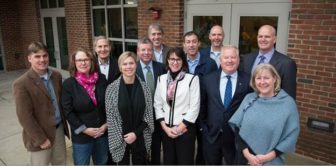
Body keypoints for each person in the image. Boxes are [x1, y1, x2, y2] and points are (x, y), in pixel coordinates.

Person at [229, 63, 300, 165]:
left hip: (271, 160)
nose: (262, 82)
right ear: (254, 81)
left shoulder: (287, 103)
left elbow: (291, 135)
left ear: (274, 79)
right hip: (245, 158)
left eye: (266, 78)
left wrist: (267, 157)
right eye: (258, 78)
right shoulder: (249, 98)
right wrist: (248, 155)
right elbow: (237, 128)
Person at [13, 42, 69, 166]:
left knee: (60, 163)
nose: (42, 60)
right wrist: (41, 139)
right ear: (29, 59)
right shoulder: (21, 83)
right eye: (37, 56)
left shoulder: (56, 76)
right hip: (39, 135)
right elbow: (25, 117)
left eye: (45, 56)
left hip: (58, 130)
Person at [199, 45, 252, 165]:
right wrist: (203, 128)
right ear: (220, 60)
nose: (229, 60)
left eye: (233, 57)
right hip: (212, 135)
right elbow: (202, 105)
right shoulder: (208, 79)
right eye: (226, 57)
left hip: (236, 137)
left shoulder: (248, 80)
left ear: (238, 60)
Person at [61, 48, 109, 165]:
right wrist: (85, 130)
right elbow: (68, 112)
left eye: (86, 59)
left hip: (102, 132)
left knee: (102, 163)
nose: (83, 63)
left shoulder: (101, 79)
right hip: (82, 137)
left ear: (91, 61)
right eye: (79, 60)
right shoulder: (69, 84)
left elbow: (109, 103)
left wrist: (107, 124)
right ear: (74, 63)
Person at [105, 51, 154, 164]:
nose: (128, 67)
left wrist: (135, 134)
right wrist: (125, 136)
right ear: (120, 67)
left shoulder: (145, 88)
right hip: (120, 137)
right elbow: (111, 118)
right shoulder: (111, 89)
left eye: (131, 63)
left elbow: (148, 115)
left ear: (136, 65)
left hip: (140, 135)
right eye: (125, 64)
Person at [154, 47, 200, 165]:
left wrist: (179, 129)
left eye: (178, 59)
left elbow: (194, 107)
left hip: (185, 129)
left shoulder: (192, 79)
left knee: (185, 161)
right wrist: (166, 128)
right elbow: (157, 104)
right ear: (167, 61)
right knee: (169, 161)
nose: (175, 62)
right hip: (166, 130)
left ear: (183, 61)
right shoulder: (161, 79)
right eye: (172, 59)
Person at [183, 31, 217, 165]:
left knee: (203, 146)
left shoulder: (210, 63)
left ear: (199, 44)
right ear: (184, 45)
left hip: (204, 111)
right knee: (186, 147)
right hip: (184, 111)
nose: (191, 45)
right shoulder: (179, 62)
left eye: (194, 42)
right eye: (188, 42)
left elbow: (214, 89)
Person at [240, 25, 297, 99]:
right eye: (260, 36)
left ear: (274, 39)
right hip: (249, 105)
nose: (263, 39)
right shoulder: (247, 59)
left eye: (267, 37)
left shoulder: (287, 63)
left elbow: (289, 95)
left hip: (272, 107)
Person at [136, 37, 166, 164]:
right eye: (143, 50)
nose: (146, 53)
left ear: (153, 51)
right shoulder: (132, 68)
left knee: (156, 148)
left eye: (149, 50)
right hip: (140, 118)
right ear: (138, 51)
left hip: (158, 116)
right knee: (141, 149)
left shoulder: (161, 67)